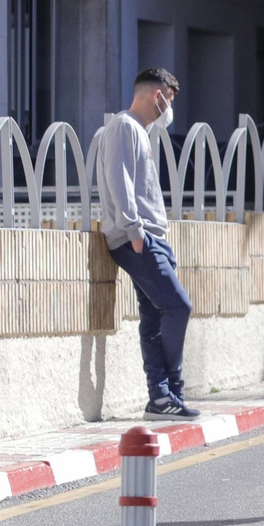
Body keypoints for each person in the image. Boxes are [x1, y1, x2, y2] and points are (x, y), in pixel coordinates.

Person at [97, 68, 199, 421]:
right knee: (179, 306)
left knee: (154, 317)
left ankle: (160, 399)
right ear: (157, 94)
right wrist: (135, 231)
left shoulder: (139, 132)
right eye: (169, 100)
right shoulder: (124, 126)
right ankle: (172, 388)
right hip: (137, 238)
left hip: (149, 236)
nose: (170, 109)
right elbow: (119, 180)